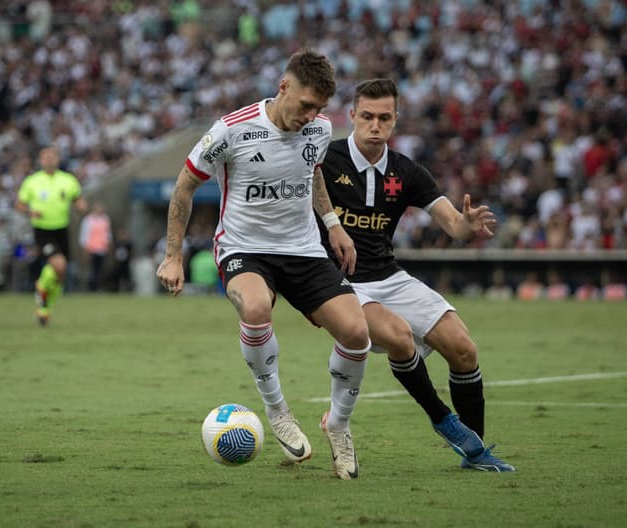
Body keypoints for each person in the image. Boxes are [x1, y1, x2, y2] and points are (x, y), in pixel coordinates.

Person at [156, 49, 371, 480]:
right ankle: (277, 410)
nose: (311, 116)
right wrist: (172, 256)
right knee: (256, 309)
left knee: (357, 333)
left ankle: (339, 427)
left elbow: (313, 173)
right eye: (305, 105)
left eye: (319, 109)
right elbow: (183, 188)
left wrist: (333, 224)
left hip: (304, 249)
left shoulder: (319, 129)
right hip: (244, 248)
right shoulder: (230, 131)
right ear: (283, 87)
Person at [319, 79, 514, 472]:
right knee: (399, 336)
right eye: (368, 116)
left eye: (384, 118)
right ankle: (443, 419)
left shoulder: (406, 170)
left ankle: (473, 451)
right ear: (352, 116)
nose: (375, 125)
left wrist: (467, 225)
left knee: (463, 348)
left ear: (395, 120)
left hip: (389, 276)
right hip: (337, 283)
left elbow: (453, 226)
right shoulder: (324, 159)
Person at [16, 146, 87, 325]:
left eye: (52, 156)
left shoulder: (68, 180)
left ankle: (44, 310)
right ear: (40, 160)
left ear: (58, 159)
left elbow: (78, 200)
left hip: (62, 229)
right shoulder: (32, 182)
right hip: (43, 230)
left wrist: (82, 207)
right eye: (45, 157)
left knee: (61, 275)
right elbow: (20, 204)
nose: (49, 160)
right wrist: (30, 211)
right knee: (59, 264)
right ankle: (41, 284)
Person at [79, 201, 112, 292]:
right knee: (93, 270)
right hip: (91, 249)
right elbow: (84, 235)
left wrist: (108, 246)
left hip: (102, 249)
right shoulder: (88, 220)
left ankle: (99, 287)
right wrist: (85, 250)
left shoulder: (105, 219)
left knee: (101, 269)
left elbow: (107, 234)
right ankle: (92, 288)